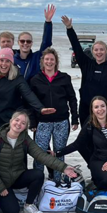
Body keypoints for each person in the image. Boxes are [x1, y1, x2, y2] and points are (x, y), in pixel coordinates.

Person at [0, 111, 79, 213]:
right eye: (17, 120)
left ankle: (29, 204)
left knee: (38, 174)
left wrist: (64, 168)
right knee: (12, 212)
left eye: (23, 123)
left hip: (17, 177)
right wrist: (0, 188)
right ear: (11, 121)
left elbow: (41, 155)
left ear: (25, 127)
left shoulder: (25, 139)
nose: (19, 124)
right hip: (1, 181)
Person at [58, 96, 107, 191]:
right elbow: (77, 144)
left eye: (102, 106)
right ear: (92, 110)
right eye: (96, 107)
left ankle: (103, 189)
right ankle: (96, 187)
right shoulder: (90, 125)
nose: (100, 109)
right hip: (99, 160)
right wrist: (57, 153)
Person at [29, 48, 78, 182]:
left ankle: (57, 181)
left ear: (56, 62)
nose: (49, 62)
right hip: (42, 122)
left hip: (61, 121)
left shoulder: (64, 78)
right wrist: (32, 122)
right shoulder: (35, 80)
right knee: (40, 153)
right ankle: (37, 181)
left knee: (59, 152)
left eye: (52, 59)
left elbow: (72, 99)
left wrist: (75, 118)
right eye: (47, 59)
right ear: (42, 61)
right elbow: (31, 103)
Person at [63, 15, 107, 123]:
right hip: (86, 110)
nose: (99, 52)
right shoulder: (87, 65)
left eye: (101, 50)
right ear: (92, 52)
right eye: (96, 50)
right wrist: (69, 28)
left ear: (106, 51)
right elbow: (76, 46)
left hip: (106, 112)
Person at [0, 48, 47, 138]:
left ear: (11, 63)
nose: (4, 64)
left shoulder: (17, 78)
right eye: (1, 60)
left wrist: (40, 108)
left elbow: (28, 94)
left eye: (7, 61)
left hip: (10, 121)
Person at [15, 4, 55, 80]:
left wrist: (48, 22)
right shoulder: (13, 59)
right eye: (22, 41)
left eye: (28, 41)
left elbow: (46, 43)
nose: (25, 43)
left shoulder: (37, 57)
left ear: (31, 43)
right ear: (18, 42)